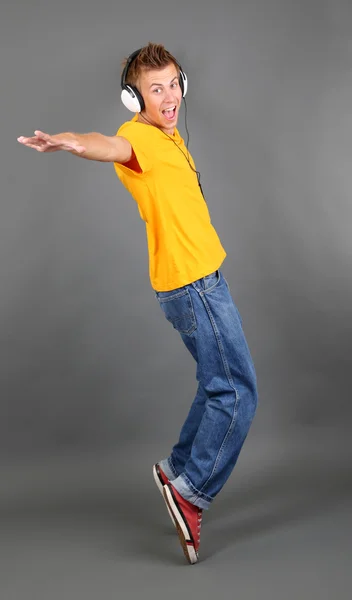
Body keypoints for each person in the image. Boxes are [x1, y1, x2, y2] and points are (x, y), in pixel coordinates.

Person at [17, 42, 258, 565]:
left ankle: (176, 467)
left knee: (217, 384)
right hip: (193, 286)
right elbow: (107, 145)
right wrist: (71, 143)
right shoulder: (137, 138)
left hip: (201, 279)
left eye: (174, 84)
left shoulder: (169, 136)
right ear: (135, 99)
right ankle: (190, 491)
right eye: (156, 89)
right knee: (238, 393)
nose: (169, 96)